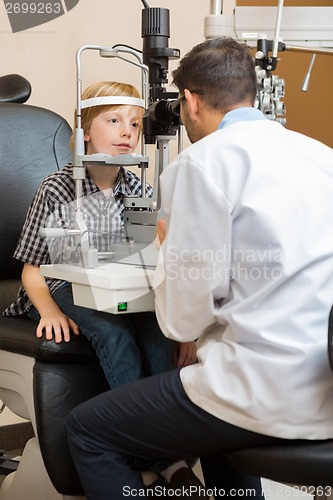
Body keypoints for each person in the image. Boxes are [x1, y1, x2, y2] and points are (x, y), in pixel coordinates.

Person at [65, 37, 333, 500]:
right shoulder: (321, 156)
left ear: (188, 100)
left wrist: (168, 250)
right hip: (323, 384)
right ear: (250, 91)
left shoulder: (202, 163)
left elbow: (181, 321)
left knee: (88, 430)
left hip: (260, 389)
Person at [3, 80, 197, 387]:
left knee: (159, 336)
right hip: (62, 285)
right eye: (114, 120)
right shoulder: (58, 189)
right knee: (113, 334)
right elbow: (32, 269)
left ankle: (160, 423)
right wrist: (49, 312)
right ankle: (126, 425)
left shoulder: (139, 189)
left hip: (119, 288)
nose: (127, 131)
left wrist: (183, 331)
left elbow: (153, 266)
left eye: (134, 123)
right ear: (85, 133)